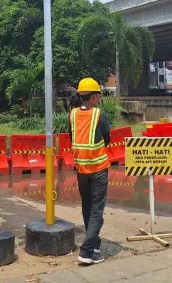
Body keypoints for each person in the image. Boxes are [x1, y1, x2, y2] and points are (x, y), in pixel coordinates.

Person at [68, 77, 112, 265]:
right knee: (96, 211)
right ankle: (86, 252)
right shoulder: (99, 115)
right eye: (98, 95)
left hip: (81, 170)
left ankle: (94, 245)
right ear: (93, 96)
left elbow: (72, 138)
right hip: (98, 169)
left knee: (87, 207)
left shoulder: (72, 115)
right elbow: (107, 138)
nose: (99, 99)